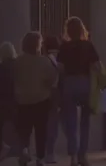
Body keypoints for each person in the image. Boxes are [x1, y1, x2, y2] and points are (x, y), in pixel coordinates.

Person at [57, 17, 100, 166]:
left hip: (69, 83)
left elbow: (60, 70)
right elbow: (97, 66)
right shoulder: (88, 45)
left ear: (68, 31)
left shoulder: (64, 47)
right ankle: (83, 155)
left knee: (71, 121)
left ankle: (73, 156)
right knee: (85, 121)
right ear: (82, 30)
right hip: (85, 83)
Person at [15, 31, 57, 166]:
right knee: (41, 130)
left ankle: (24, 150)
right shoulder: (44, 61)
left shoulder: (18, 61)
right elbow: (51, 80)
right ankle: (40, 157)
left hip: (22, 100)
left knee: (24, 129)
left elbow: (13, 79)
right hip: (41, 100)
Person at [0, 42, 17, 161]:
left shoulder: (0, 67)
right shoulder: (18, 65)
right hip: (15, 100)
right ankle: (20, 149)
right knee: (18, 126)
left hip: (2, 101)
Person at [43, 36, 62, 164]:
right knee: (53, 124)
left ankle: (46, 152)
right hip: (57, 93)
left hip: (46, 92)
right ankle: (50, 152)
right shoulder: (61, 57)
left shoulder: (44, 59)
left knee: (46, 124)